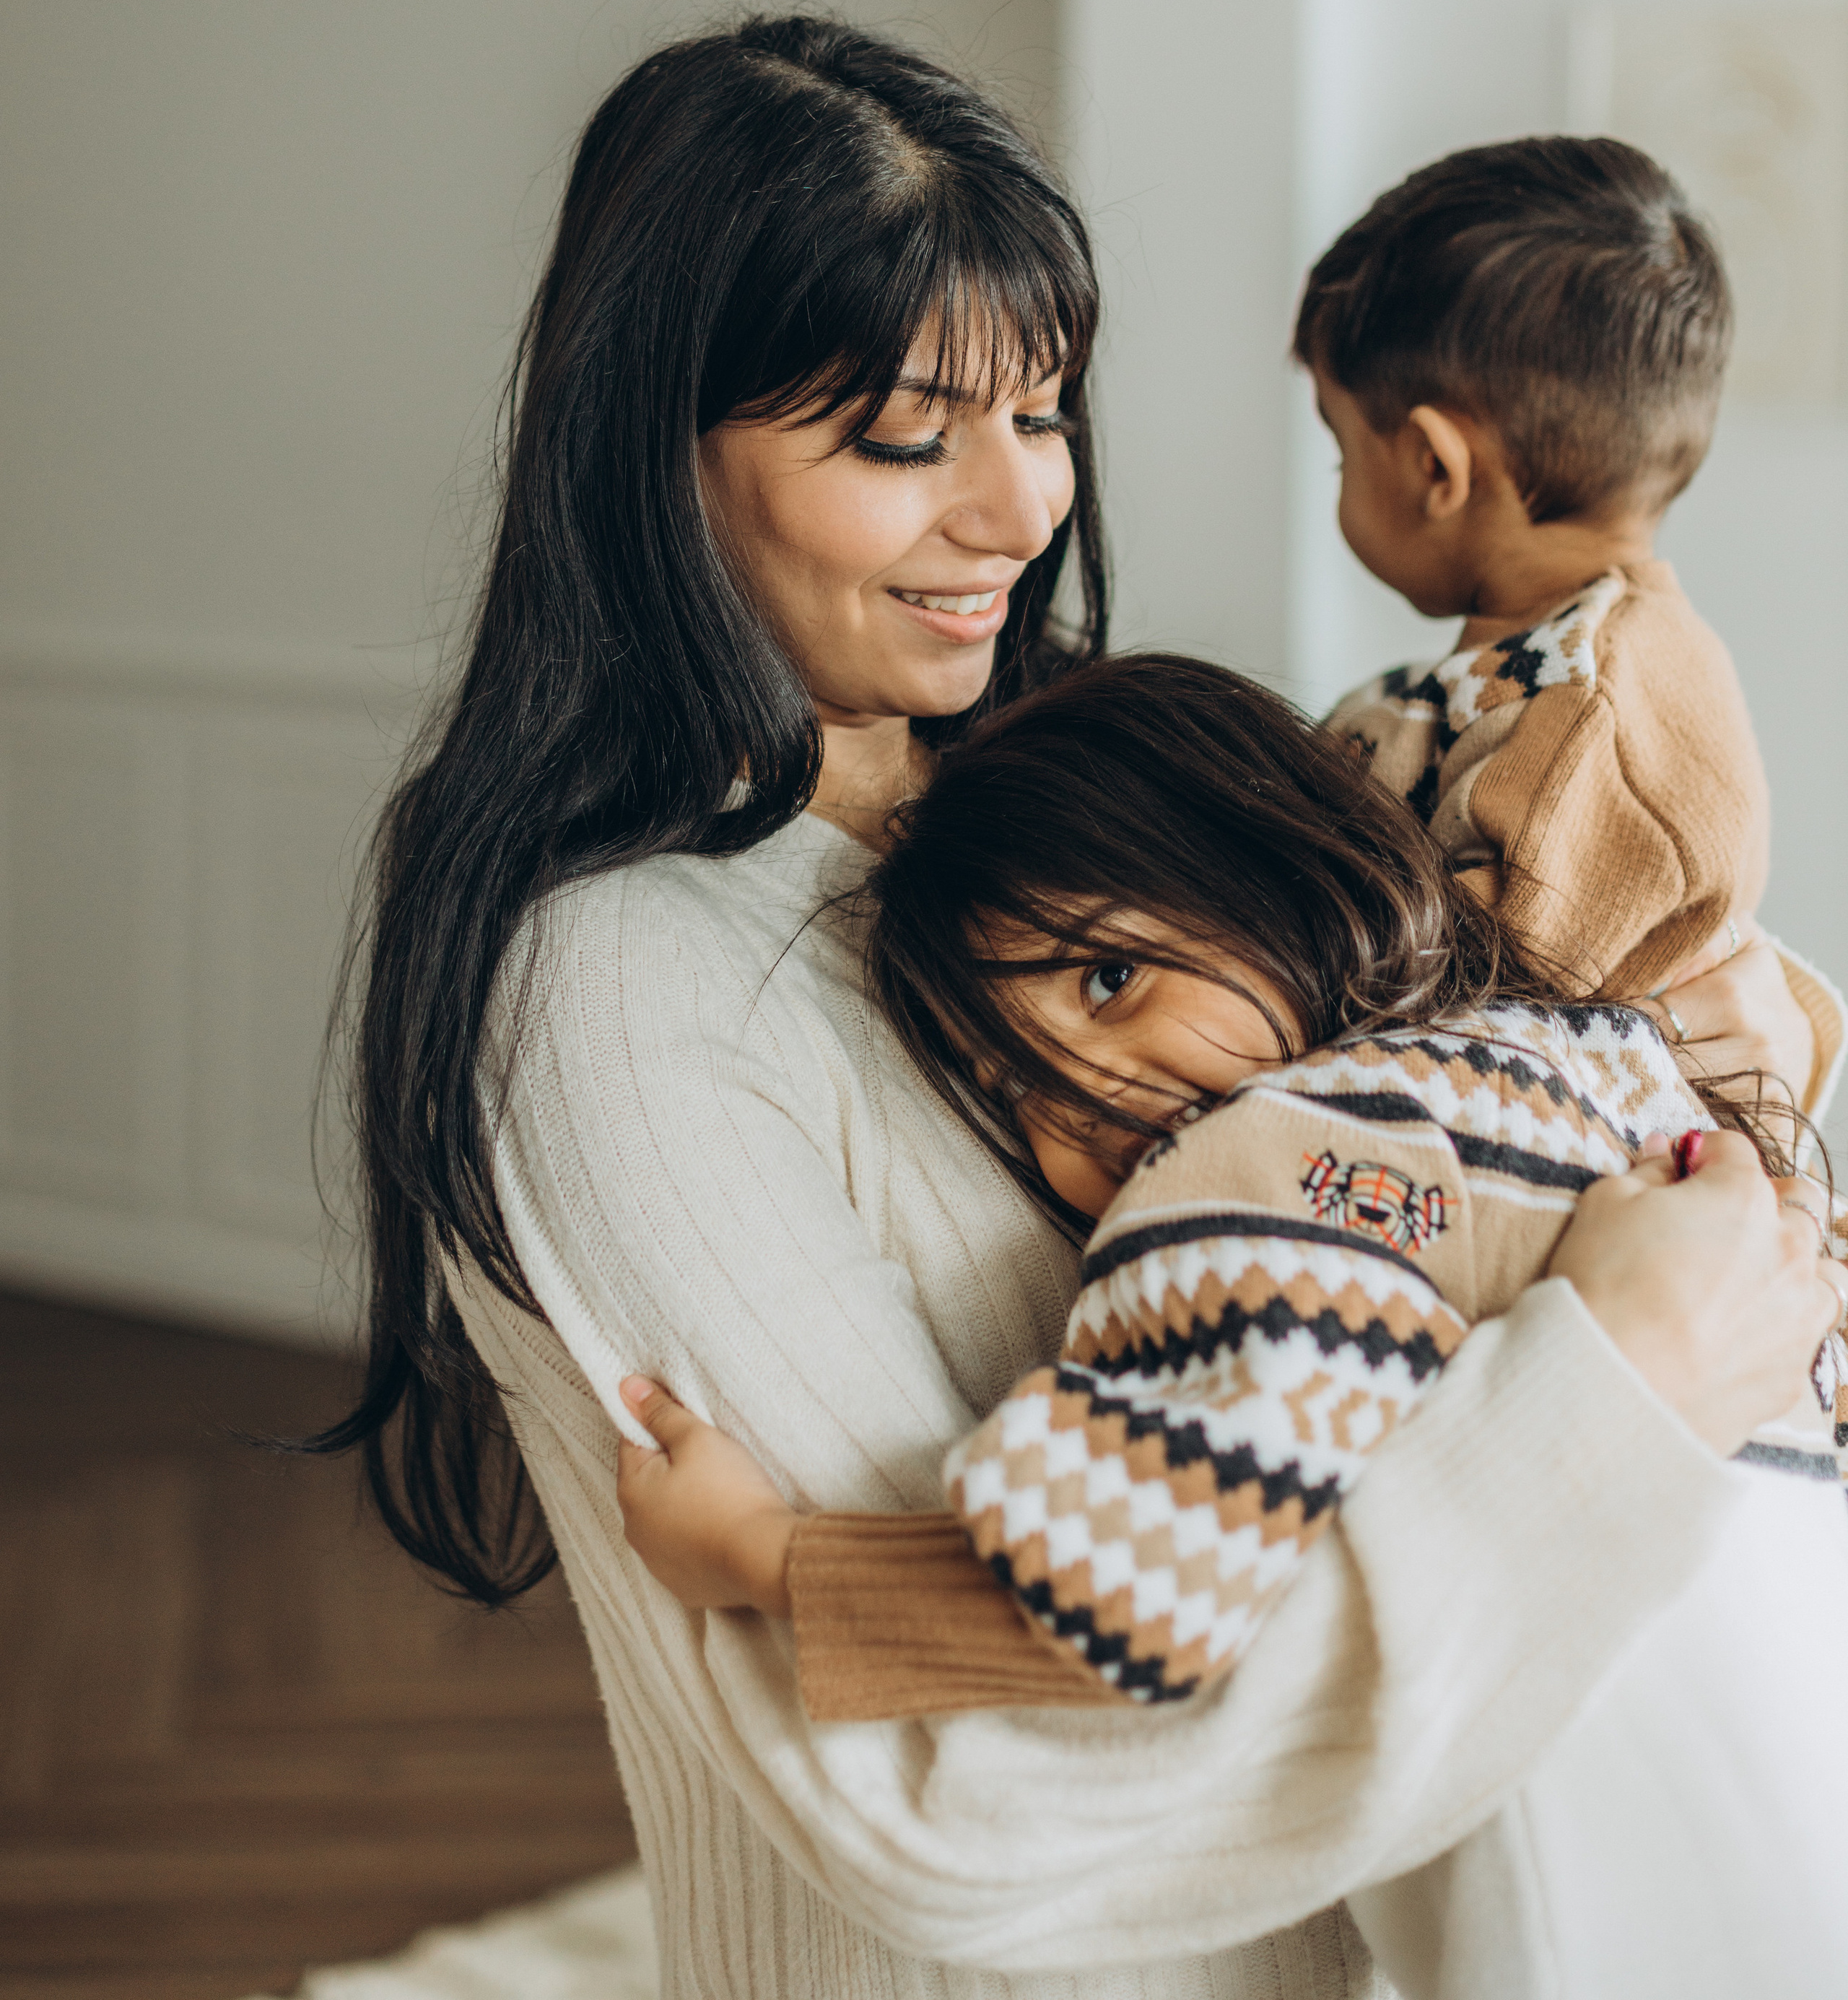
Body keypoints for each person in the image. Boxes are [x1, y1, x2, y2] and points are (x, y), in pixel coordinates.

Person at [322, 14, 1842, 2000]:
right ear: (656, 450)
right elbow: (952, 1807)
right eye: (898, 438)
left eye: (1041, 411)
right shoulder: (619, 983)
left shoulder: (1071, 789)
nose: (1017, 506)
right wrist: (1621, 1376)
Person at [611, 654, 1848, 1999]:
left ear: (1268, 858)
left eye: (1106, 979)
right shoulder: (1593, 1069)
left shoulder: (1282, 1170)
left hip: (1612, 1913)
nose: (1082, 1092)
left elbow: (1145, 1592)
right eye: (1009, 1083)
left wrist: (766, 1555)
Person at [1297, 136, 1764, 1001]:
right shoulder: (1530, 671)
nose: (1338, 480)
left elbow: (1468, 1004)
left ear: (1435, 468)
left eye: (1341, 450)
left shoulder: (1594, 715)